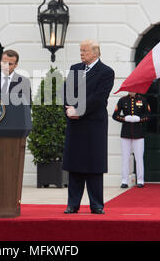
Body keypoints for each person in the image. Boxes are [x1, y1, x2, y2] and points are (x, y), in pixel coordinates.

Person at [62, 40, 115, 214]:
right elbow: (66, 91)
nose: (81, 53)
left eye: (84, 50)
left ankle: (97, 204)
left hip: (93, 125)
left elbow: (99, 98)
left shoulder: (106, 72)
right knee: (75, 165)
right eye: (80, 50)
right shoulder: (74, 68)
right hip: (75, 124)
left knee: (94, 166)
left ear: (95, 52)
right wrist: (69, 109)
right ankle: (72, 204)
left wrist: (79, 110)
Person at [112, 92, 150, 188]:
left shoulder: (142, 100)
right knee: (125, 158)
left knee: (139, 158)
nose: (131, 91)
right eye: (130, 89)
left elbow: (148, 115)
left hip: (139, 133)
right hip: (126, 133)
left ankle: (140, 180)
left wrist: (139, 119)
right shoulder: (122, 100)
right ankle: (124, 181)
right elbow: (115, 115)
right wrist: (125, 118)